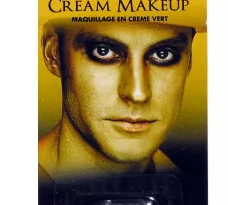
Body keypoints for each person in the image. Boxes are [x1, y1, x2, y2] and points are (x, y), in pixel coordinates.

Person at [39, 21, 194, 180]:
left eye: (163, 54)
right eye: (103, 51)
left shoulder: (193, 190)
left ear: (189, 60)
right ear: (54, 53)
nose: (137, 94)